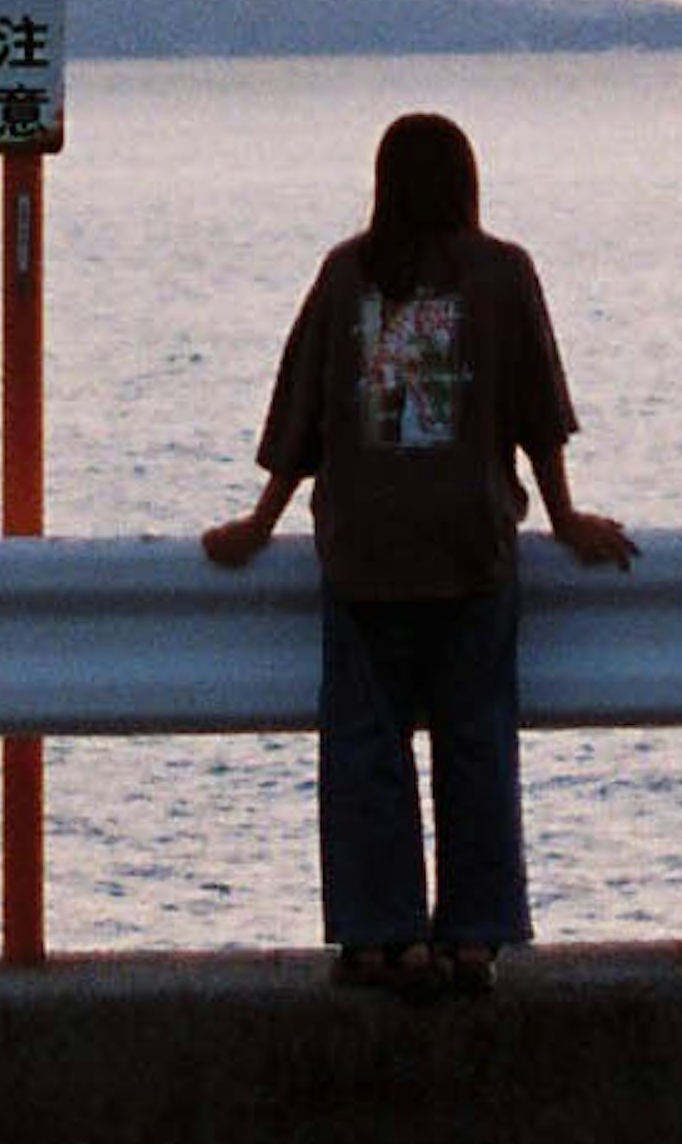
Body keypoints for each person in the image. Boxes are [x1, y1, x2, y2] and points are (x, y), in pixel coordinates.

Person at [204, 110, 636, 993]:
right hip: (469, 544)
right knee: (477, 741)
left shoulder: (347, 274)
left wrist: (258, 524)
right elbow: (537, 414)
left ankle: (377, 936)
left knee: (367, 748)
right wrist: (562, 516)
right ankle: (472, 936)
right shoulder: (502, 272)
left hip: (366, 547)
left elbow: (303, 419)